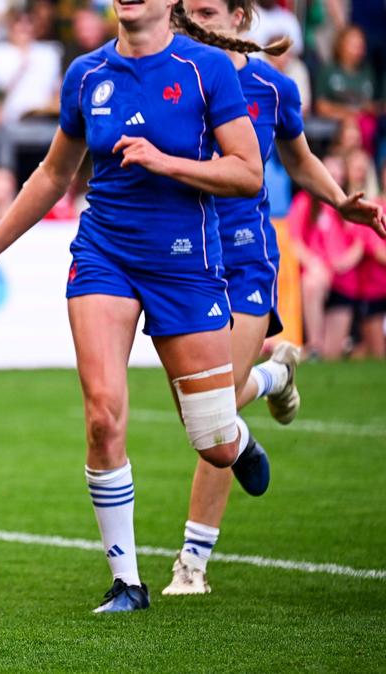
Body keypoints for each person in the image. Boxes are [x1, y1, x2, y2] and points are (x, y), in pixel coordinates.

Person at [0, 0, 270, 613]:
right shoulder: (86, 74)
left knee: (213, 443)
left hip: (185, 263)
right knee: (102, 415)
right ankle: (127, 582)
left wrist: (165, 160)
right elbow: (50, 174)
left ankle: (240, 431)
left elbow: (249, 173)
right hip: (103, 256)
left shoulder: (206, 69)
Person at [163, 0, 386, 596]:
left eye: (209, 11)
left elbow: (300, 159)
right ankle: (273, 379)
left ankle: (193, 562)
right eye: (190, 13)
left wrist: (341, 202)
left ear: (241, 18)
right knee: (202, 410)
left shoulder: (273, 86)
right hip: (183, 258)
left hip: (245, 255)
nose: (197, 22)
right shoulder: (170, 76)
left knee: (213, 410)